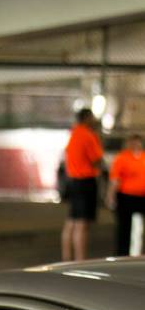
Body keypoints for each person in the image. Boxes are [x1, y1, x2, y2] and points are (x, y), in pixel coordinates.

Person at [61, 108, 104, 261]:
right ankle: (80, 261)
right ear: (87, 118)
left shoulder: (73, 133)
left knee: (71, 221)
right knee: (82, 225)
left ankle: (66, 258)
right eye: (92, 117)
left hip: (72, 181)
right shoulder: (88, 135)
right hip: (85, 182)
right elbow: (97, 160)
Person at [106, 134, 145, 256]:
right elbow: (115, 179)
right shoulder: (122, 158)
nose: (135, 145)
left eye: (138, 142)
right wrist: (110, 196)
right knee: (124, 228)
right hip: (126, 196)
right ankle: (122, 254)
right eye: (133, 142)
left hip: (143, 196)